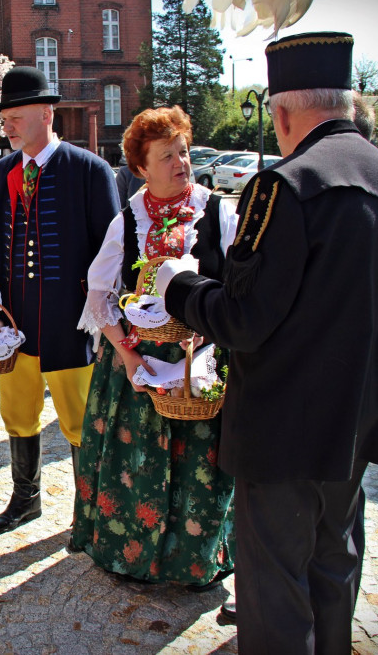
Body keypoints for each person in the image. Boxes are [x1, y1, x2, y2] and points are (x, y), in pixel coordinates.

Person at [156, 32, 378, 652]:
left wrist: (179, 287)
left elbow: (243, 319)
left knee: (275, 588)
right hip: (354, 419)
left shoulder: (285, 186)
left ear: (281, 113)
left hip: (281, 427)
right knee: (334, 564)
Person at [70, 106, 236, 588]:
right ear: (141, 168)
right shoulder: (127, 220)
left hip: (200, 362)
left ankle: (195, 562)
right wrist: (126, 355)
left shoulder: (218, 212)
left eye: (183, 151)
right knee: (135, 462)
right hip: (138, 363)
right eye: (167, 156)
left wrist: (213, 333)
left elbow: (239, 283)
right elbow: (98, 292)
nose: (181, 163)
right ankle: (131, 555)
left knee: (200, 462)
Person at [0, 66, 120, 534]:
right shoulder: (2, 173)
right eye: (5, 119)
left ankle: (88, 512)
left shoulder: (89, 170)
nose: (8, 126)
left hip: (70, 322)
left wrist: (106, 316)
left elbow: (112, 250)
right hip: (14, 323)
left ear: (46, 113)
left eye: (16, 117)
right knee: (17, 413)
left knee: (79, 418)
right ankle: (26, 499)